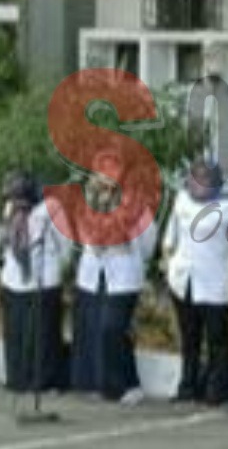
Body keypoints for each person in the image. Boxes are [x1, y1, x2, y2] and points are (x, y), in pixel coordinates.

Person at [70, 147, 158, 405]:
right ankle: (98, 383)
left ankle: (127, 384)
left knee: (114, 328)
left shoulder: (136, 205)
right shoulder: (87, 202)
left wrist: (121, 241)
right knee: (93, 328)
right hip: (92, 274)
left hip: (123, 275)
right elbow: (80, 233)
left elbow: (147, 242)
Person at [163, 157, 228, 405]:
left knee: (217, 339)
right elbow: (170, 237)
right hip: (184, 280)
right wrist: (169, 265)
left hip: (214, 280)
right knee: (189, 337)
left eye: (206, 178)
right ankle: (188, 386)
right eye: (196, 178)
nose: (200, 183)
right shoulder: (181, 201)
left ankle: (217, 390)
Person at [0, 172, 73, 394]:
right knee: (16, 332)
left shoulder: (51, 208)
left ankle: (44, 380)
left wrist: (56, 268)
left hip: (43, 279)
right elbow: (4, 240)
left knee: (42, 335)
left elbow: (66, 246)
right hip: (13, 279)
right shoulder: (9, 209)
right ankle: (18, 378)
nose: (15, 202)